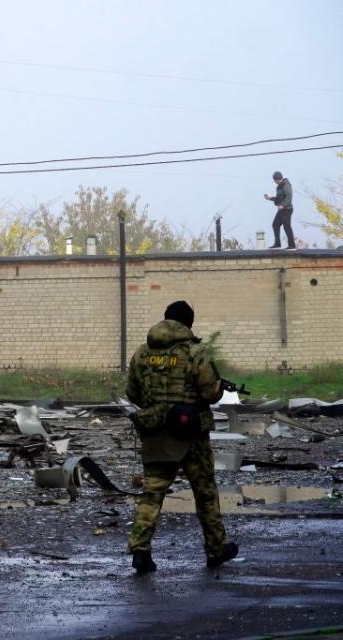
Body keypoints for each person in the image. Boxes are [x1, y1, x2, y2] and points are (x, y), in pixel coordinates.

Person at [125, 301, 238, 575]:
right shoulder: (195, 352)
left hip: (156, 433)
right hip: (191, 435)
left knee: (152, 493)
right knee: (205, 493)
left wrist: (157, 406)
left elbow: (132, 393)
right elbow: (211, 393)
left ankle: (140, 550)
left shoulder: (142, 353)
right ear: (189, 323)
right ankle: (216, 549)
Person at [264, 171, 295, 249]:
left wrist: (283, 205)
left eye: (274, 180)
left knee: (287, 226)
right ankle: (277, 244)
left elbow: (289, 197)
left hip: (287, 209)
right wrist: (270, 198)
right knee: (275, 225)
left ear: (277, 179)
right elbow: (279, 198)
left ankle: (292, 245)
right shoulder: (279, 187)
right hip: (281, 210)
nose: (274, 182)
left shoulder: (286, 185)